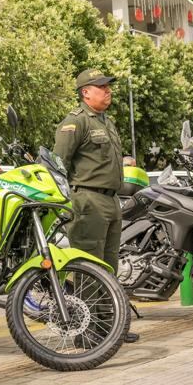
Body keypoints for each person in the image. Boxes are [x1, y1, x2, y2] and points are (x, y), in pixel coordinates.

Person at [54, 68, 139, 344]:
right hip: (87, 201)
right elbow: (58, 164)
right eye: (101, 87)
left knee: (108, 268)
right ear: (85, 92)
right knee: (88, 270)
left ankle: (110, 327)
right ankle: (87, 331)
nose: (108, 90)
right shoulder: (75, 122)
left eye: (107, 86)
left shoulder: (106, 122)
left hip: (111, 200)